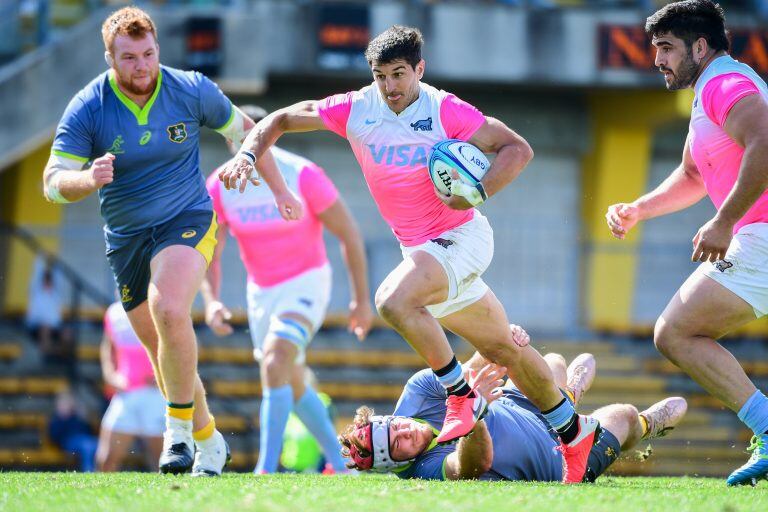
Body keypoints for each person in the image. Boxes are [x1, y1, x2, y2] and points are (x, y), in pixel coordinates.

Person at [219, 25, 599, 482]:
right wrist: (246, 153)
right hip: (425, 253)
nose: (390, 87)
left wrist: (476, 191)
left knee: (393, 301)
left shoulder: (445, 109)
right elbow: (279, 119)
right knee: (505, 349)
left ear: (420, 68)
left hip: (463, 240)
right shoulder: (357, 108)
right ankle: (573, 432)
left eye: (399, 74)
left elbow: (517, 149)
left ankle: (459, 395)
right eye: (381, 76)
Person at [42, 6, 300, 476]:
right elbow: (52, 181)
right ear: (109, 58)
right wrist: (87, 179)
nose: (141, 66)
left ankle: (176, 434)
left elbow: (249, 131)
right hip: (126, 238)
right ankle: (207, 439)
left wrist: (278, 189)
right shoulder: (89, 105)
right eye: (129, 57)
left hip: (188, 219)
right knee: (162, 349)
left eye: (148, 54)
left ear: (158, 49)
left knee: (168, 308)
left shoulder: (190, 88)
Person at [605, 0, 768, 486]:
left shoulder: (723, 84)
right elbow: (693, 174)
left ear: (700, 46)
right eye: (655, 48)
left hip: (759, 236)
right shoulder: (708, 92)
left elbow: (766, 140)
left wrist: (724, 221)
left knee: (676, 331)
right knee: (677, 330)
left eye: (667, 48)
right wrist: (640, 209)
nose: (657, 59)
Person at [201, 104, 373, 474]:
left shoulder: (303, 175)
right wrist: (212, 301)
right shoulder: (219, 185)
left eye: (250, 133)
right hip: (261, 294)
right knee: (290, 379)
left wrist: (361, 300)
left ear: (268, 133)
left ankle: (265, 470)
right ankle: (341, 466)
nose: (242, 142)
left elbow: (349, 235)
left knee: (277, 360)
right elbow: (209, 253)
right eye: (235, 136)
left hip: (306, 284)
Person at [339, 348, 688, 482]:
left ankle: (565, 399)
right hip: (559, 462)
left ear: (389, 417)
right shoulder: (423, 471)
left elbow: (476, 366)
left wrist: (500, 342)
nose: (407, 434)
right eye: (399, 446)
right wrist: (472, 417)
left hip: (514, 406)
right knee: (623, 416)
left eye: (396, 427)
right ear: (396, 465)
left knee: (550, 362)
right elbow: (471, 465)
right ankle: (647, 424)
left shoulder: (417, 391)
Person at [96, 302, 165, 472]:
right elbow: (107, 346)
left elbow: (184, 343)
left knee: (163, 462)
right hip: (126, 392)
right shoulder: (113, 312)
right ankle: (99, 498)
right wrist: (110, 375)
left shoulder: (159, 304)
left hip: (155, 394)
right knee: (105, 460)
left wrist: (164, 375)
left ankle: (171, 497)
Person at [26, 255, 73, 365]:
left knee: (68, 334)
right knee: (45, 329)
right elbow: (36, 272)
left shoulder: (55, 294)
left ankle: (61, 357)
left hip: (54, 326)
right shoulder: (36, 291)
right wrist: (41, 257)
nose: (48, 281)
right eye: (46, 279)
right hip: (35, 326)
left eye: (49, 279)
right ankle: (46, 356)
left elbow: (58, 276)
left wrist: (55, 263)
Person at [48, 389, 98, 473]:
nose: (66, 406)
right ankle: (89, 471)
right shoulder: (56, 419)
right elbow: (54, 436)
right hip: (68, 442)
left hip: (85, 439)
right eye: (63, 403)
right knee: (87, 446)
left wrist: (84, 418)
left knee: (97, 445)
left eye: (68, 403)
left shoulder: (77, 417)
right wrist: (62, 419)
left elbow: (88, 431)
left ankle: (102, 470)